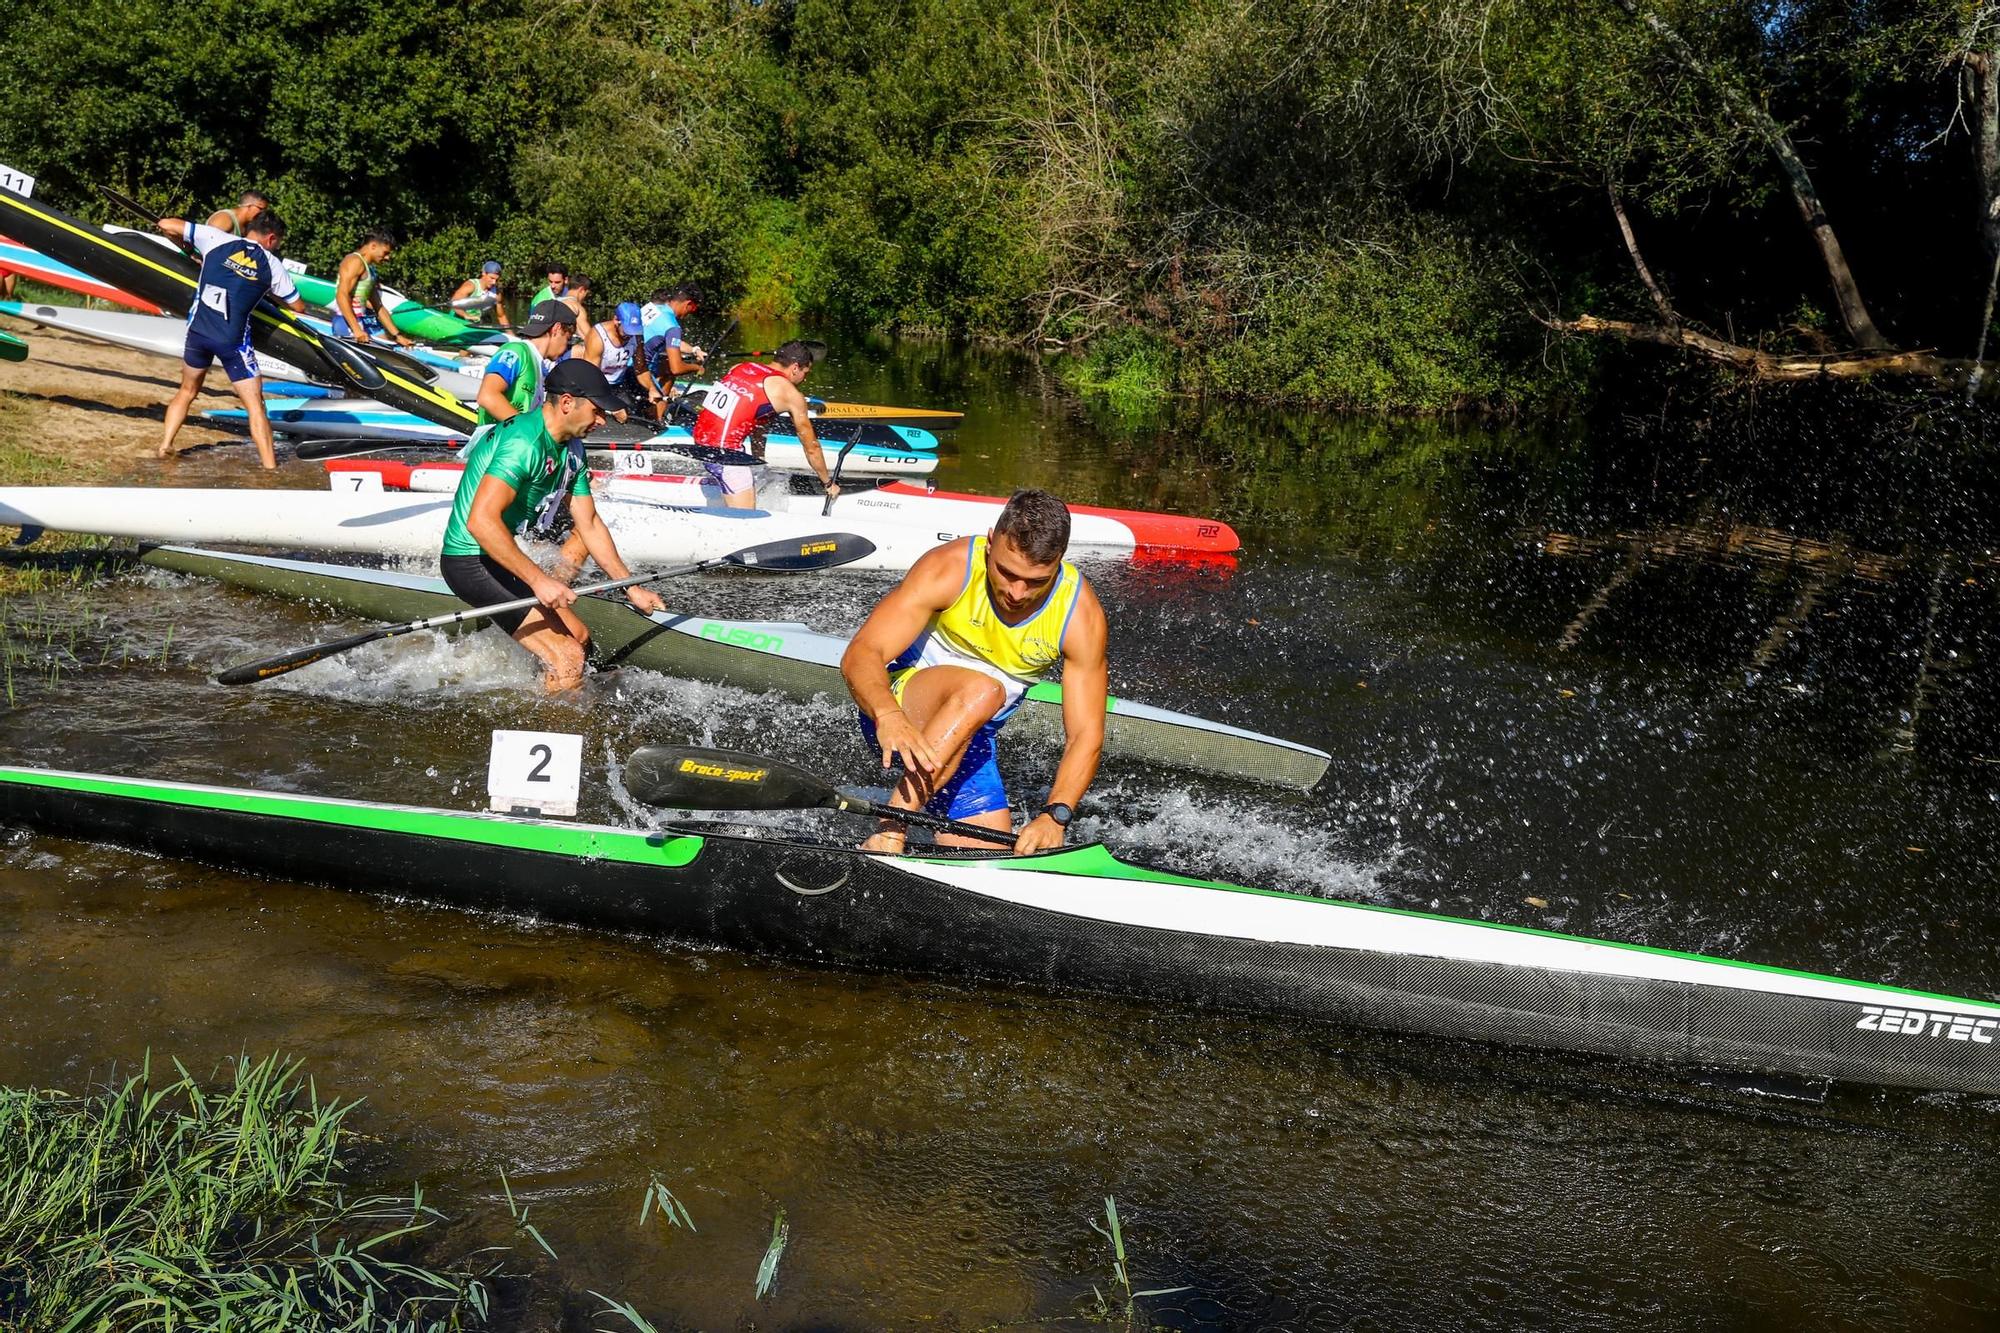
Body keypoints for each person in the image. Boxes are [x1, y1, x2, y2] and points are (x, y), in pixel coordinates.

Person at [841, 490, 1107, 855]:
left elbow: (1085, 735)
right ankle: (889, 829)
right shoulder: (948, 569)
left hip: (970, 741)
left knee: (990, 863)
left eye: (1035, 581)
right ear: (990, 542)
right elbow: (861, 653)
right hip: (897, 712)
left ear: (1058, 562)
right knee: (986, 690)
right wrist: (887, 714)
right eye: (1007, 572)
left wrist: (1054, 815)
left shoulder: (1080, 617)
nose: (1017, 592)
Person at [439, 359, 666, 691]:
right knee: (568, 659)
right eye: (596, 411)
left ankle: (542, 694)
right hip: (469, 560)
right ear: (567, 403)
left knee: (580, 638)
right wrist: (540, 581)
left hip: (498, 556)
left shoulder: (572, 448)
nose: (601, 420)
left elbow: (589, 524)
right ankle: (561, 734)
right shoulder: (524, 442)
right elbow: (481, 522)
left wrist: (631, 587)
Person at [155, 211, 309, 470]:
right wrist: (268, 293)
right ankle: (270, 468)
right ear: (271, 238)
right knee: (255, 406)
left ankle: (165, 445)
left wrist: (190, 250)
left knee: (187, 391)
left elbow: (165, 225)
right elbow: (298, 306)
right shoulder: (272, 265)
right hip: (232, 342)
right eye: (278, 243)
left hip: (198, 333)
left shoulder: (215, 238)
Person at [689, 339, 837, 509]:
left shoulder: (740, 367)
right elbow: (811, 447)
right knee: (746, 520)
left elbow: (754, 422)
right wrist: (827, 483)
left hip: (700, 441)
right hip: (725, 454)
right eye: (806, 372)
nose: (804, 378)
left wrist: (758, 461)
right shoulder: (789, 393)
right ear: (795, 367)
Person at [475, 300, 575, 426]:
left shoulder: (538, 364)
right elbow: (487, 396)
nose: (567, 347)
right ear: (557, 329)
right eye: (568, 339)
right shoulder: (515, 351)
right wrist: (525, 431)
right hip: (494, 442)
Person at [584, 301, 669, 419]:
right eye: (627, 330)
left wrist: (652, 388)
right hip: (596, 386)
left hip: (618, 385)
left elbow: (641, 368)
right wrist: (610, 406)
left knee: (647, 409)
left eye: (634, 330)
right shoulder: (597, 337)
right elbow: (589, 378)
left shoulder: (637, 335)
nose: (630, 335)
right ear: (616, 321)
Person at [329, 230, 414, 346]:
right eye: (385, 253)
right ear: (373, 246)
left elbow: (378, 306)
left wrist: (397, 336)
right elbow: (341, 295)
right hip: (346, 323)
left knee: (388, 346)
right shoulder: (354, 261)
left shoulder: (370, 270)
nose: (388, 258)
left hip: (359, 322)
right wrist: (357, 330)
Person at [640, 284, 706, 387]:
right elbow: (677, 368)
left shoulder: (652, 307)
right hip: (639, 373)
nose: (691, 312)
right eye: (693, 308)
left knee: (665, 362)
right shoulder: (673, 326)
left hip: (623, 365)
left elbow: (671, 341)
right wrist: (697, 368)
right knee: (671, 368)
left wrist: (695, 350)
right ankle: (660, 401)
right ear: (688, 304)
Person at [450, 261, 514, 333]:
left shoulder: (497, 295)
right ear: (483, 273)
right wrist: (466, 315)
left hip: (478, 324)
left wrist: (512, 337)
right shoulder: (470, 286)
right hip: (458, 321)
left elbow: (501, 316)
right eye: (491, 278)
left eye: (497, 279)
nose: (494, 282)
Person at [204, 190, 270, 236]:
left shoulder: (247, 227)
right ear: (249, 206)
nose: (263, 213)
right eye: (261, 209)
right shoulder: (224, 219)